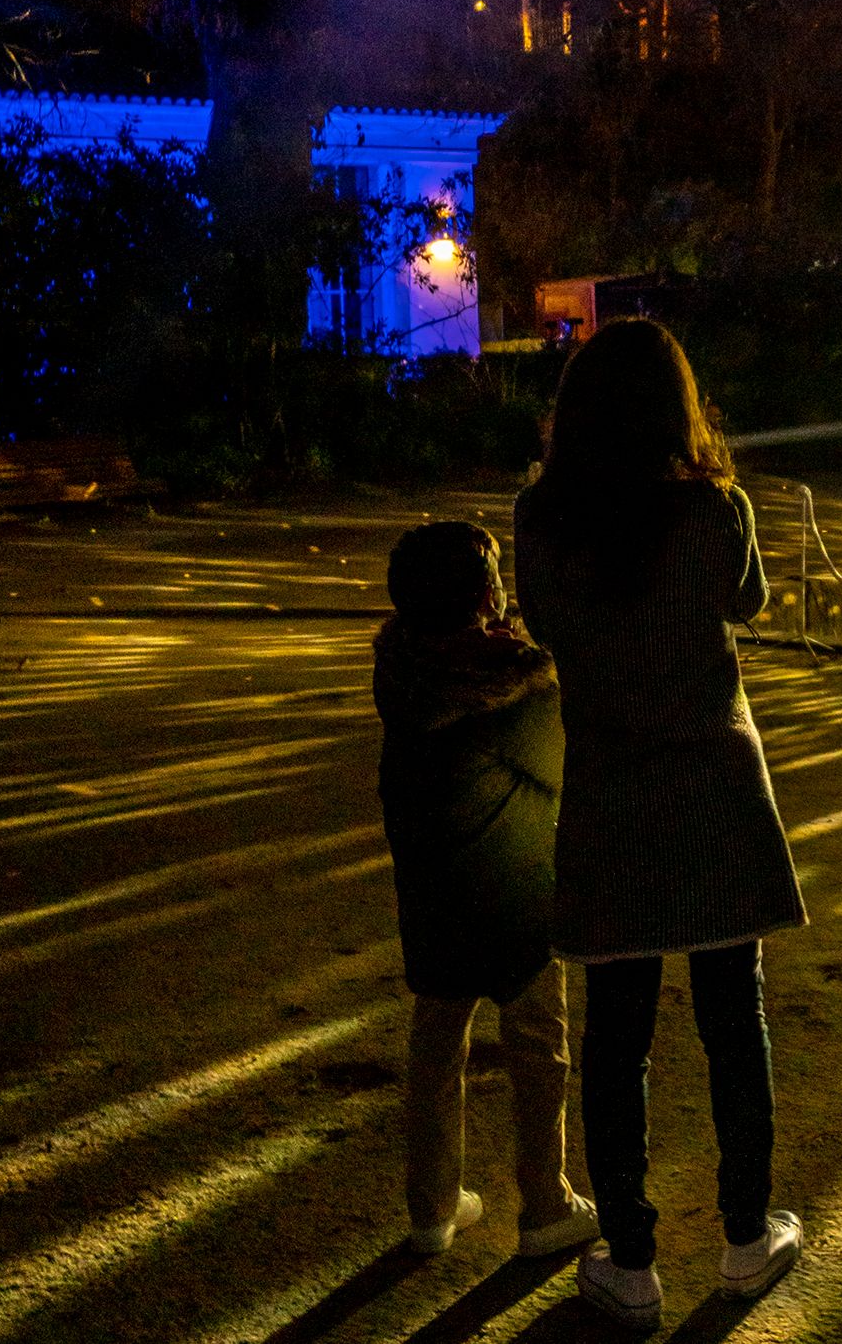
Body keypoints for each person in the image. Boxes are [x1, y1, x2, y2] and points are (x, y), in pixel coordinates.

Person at [513, 321, 806, 1327]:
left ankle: (630, 1258)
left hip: (613, 795)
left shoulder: (542, 521)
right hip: (717, 792)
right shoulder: (715, 510)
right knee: (735, 1022)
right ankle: (743, 1235)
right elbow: (751, 599)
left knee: (617, 1038)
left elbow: (545, 627)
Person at [374, 521, 600, 1259]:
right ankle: (545, 1202)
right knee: (539, 1045)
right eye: (496, 574)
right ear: (481, 597)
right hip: (514, 894)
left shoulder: (404, 672)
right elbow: (561, 769)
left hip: (432, 894)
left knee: (438, 1043)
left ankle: (432, 1206)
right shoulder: (511, 682)